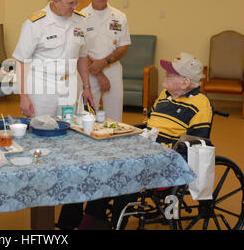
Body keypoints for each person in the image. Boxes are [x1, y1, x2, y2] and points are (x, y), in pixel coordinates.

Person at [76, 52, 214, 230]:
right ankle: (91, 220)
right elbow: (149, 124)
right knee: (106, 167)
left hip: (169, 159)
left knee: (125, 177)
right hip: (145, 148)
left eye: (171, 74)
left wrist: (162, 151)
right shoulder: (165, 95)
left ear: (185, 82)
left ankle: (109, 223)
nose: (165, 74)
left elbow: (197, 145)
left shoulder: (201, 104)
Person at [13, 0, 94, 118]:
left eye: (77, 2)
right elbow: (20, 61)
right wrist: (23, 96)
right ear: (55, 1)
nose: (75, 7)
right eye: (70, 3)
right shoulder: (35, 24)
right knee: (41, 131)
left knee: (69, 130)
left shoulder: (80, 20)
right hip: (42, 89)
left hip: (70, 87)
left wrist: (87, 87)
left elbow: (82, 56)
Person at [82, 0, 130, 121]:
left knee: (115, 116)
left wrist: (103, 63)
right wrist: (99, 73)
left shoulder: (120, 17)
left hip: (113, 70)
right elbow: (80, 50)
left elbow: (123, 47)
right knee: (88, 116)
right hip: (89, 72)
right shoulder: (80, 17)